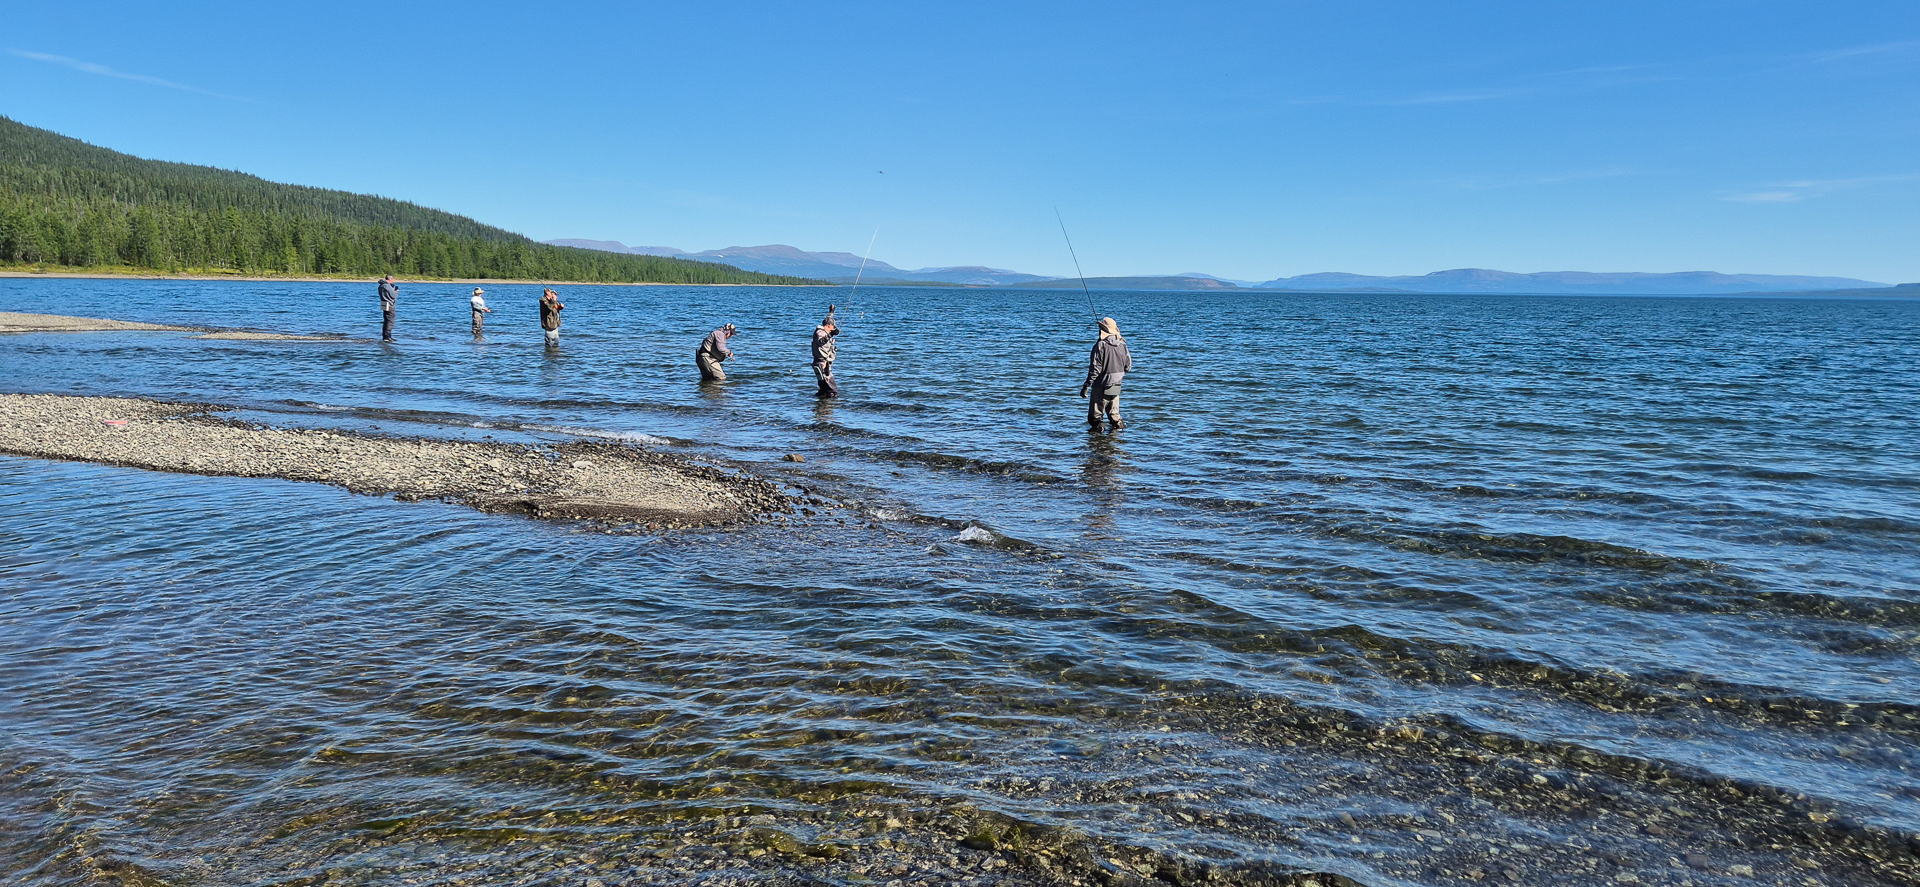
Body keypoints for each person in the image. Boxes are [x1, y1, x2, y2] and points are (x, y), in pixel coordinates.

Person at [1080, 316, 1131, 431]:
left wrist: (1086, 386)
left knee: (1095, 419)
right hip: (1117, 386)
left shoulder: (1100, 345)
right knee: (1115, 418)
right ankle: (1118, 442)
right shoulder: (1123, 345)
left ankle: (1097, 444)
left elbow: (1095, 369)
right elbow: (1128, 367)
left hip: (1101, 386)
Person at [811, 313, 840, 398]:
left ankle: (821, 408)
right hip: (822, 364)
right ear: (828, 326)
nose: (833, 329)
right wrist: (831, 334)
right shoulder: (820, 333)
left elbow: (828, 319)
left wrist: (831, 312)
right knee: (832, 391)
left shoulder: (824, 331)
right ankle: (827, 408)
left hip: (823, 363)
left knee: (824, 388)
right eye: (833, 327)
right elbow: (820, 342)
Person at [377, 275, 398, 341]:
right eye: (393, 279)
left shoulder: (381, 285)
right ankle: (387, 337)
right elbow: (393, 296)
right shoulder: (387, 286)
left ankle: (385, 336)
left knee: (386, 320)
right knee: (390, 321)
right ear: (390, 279)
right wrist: (396, 291)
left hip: (384, 304)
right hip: (390, 304)